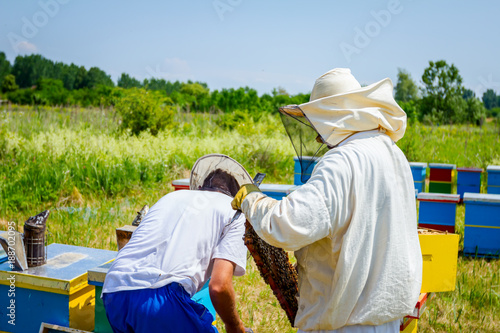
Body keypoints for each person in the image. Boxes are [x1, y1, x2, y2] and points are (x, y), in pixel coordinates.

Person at [231, 68, 423, 332]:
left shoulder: (343, 160)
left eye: (317, 120)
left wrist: (252, 199)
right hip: (385, 321)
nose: (316, 135)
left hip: (345, 323)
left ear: (333, 114)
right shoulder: (392, 152)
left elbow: (288, 225)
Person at [102, 154, 253, 333]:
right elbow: (219, 286)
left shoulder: (170, 198)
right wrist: (235, 326)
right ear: (234, 195)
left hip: (114, 293)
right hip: (163, 299)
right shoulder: (234, 214)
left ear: (202, 186)